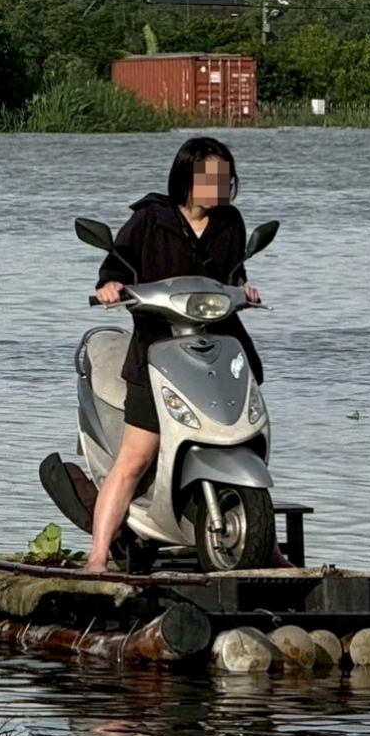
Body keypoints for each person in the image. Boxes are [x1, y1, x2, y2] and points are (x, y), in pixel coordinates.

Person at [86, 136, 278, 572]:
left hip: (218, 347)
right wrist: (111, 286)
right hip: (157, 346)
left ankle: (270, 549)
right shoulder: (149, 219)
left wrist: (242, 290)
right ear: (186, 179)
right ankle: (97, 556)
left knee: (244, 439)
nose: (221, 186)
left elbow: (233, 274)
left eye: (226, 178)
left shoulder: (231, 223)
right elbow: (116, 267)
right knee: (136, 456)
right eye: (211, 177)